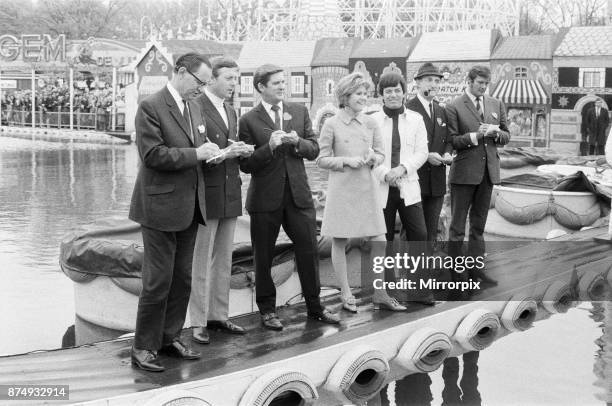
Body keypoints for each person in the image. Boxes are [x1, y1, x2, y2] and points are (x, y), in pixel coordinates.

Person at [128, 53, 221, 372]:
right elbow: (152, 155)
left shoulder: (194, 106)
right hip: (158, 208)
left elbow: (193, 149)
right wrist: (196, 153)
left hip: (190, 206)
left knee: (182, 279)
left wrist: (213, 154)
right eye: (200, 81)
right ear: (181, 73)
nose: (202, 88)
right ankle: (143, 346)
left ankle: (169, 338)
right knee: (158, 281)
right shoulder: (151, 106)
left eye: (207, 83)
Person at [238, 64, 340, 330]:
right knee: (263, 256)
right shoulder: (248, 120)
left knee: (308, 251)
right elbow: (246, 165)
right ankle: (268, 311)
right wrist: (268, 147)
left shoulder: (299, 111)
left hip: (298, 196)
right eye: (276, 83)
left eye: (284, 82)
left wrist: (297, 142)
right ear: (261, 87)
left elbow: (314, 150)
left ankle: (315, 307)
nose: (283, 87)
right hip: (264, 199)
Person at [317, 72, 406, 312]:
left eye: (366, 94)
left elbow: (381, 154)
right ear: (345, 96)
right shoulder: (331, 124)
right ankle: (346, 294)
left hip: (368, 190)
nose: (364, 98)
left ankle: (380, 292)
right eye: (359, 93)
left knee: (379, 241)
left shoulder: (371, 122)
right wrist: (346, 161)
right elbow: (322, 159)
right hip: (342, 191)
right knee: (340, 240)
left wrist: (372, 157)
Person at [189, 57, 253, 345]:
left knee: (224, 258)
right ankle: (198, 322)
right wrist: (224, 154)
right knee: (201, 260)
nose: (233, 84)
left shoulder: (230, 110)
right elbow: (194, 154)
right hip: (206, 193)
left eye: (236, 79)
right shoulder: (195, 107)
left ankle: (219, 315)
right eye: (229, 78)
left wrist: (239, 150)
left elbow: (226, 147)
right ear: (212, 79)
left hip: (229, 192)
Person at [371, 71, 434, 306]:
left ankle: (420, 290)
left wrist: (402, 169)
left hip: (408, 186)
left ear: (404, 92)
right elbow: (369, 155)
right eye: (388, 91)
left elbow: (422, 152)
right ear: (382, 95)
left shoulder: (416, 119)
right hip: (382, 188)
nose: (393, 95)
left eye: (397, 90)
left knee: (419, 235)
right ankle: (387, 292)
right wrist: (385, 173)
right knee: (385, 239)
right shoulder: (373, 121)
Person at [446, 65, 510, 285]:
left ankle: (476, 272)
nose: (483, 86)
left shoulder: (496, 104)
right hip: (463, 174)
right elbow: (452, 141)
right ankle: (456, 275)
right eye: (480, 83)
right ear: (470, 81)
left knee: (478, 227)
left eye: (486, 83)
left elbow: (507, 135)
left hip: (488, 174)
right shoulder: (454, 106)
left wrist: (497, 133)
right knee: (456, 228)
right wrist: (475, 135)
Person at [406, 63, 453, 251]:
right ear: (417, 83)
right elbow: (403, 146)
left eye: (436, 81)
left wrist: (448, 153)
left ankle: (426, 273)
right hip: (415, 179)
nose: (433, 84)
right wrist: (426, 157)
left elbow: (448, 139)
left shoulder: (441, 110)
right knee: (413, 232)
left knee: (431, 231)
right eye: (428, 80)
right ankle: (407, 272)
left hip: (437, 181)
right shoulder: (408, 109)